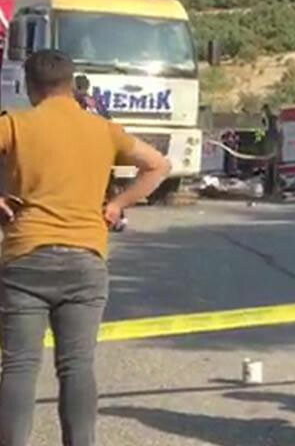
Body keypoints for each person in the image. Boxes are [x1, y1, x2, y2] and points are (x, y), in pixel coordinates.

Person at [0, 50, 170, 446]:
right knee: (76, 366)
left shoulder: (15, 124)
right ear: (72, 84)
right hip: (86, 259)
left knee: (20, 365)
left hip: (25, 258)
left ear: (30, 86)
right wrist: (116, 206)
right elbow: (159, 165)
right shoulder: (103, 130)